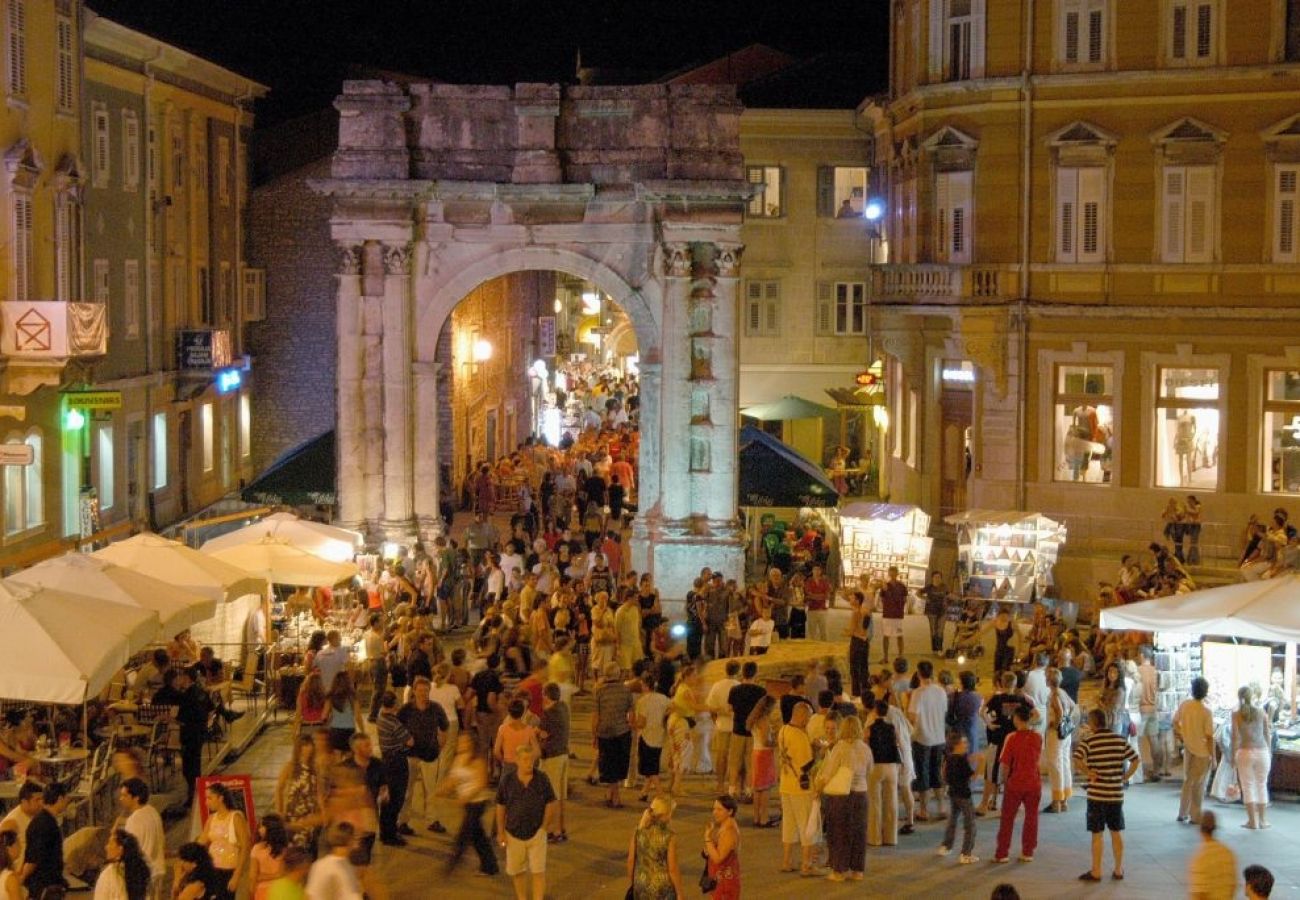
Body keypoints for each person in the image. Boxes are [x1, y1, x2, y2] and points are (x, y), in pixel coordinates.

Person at [1074, 708, 1140, 882]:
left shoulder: (1089, 741)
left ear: (1093, 723)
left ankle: (1096, 871)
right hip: (1115, 794)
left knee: (1097, 834)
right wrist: (1126, 776)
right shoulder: (1119, 740)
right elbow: (1135, 759)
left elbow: (1077, 758)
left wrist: (1089, 772)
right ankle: (1118, 869)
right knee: (1116, 831)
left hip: (1096, 795)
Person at [495, 744, 556, 900]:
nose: (529, 763)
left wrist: (544, 827)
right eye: (525, 759)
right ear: (517, 760)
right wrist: (500, 832)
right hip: (513, 834)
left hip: (537, 833)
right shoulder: (507, 781)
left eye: (532, 760)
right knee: (518, 871)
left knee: (538, 871)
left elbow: (551, 802)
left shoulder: (542, 779)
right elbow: (500, 806)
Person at [817, 712, 870, 882]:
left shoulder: (840, 747)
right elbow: (870, 769)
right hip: (861, 794)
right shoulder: (865, 748)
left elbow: (829, 773)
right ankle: (857, 870)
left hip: (842, 796)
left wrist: (819, 787)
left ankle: (839, 871)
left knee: (839, 832)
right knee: (859, 833)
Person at [398, 675, 451, 835]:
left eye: (426, 690)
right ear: (414, 691)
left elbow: (444, 729)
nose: (423, 693)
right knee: (407, 791)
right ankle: (402, 821)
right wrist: (405, 740)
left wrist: (439, 747)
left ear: (429, 691)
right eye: (420, 690)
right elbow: (397, 729)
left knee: (431, 791)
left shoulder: (436, 708)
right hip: (410, 756)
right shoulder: (406, 710)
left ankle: (432, 820)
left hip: (430, 755)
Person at [992, 704, 1042, 864]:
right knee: (1031, 817)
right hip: (1034, 781)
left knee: (1007, 818)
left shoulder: (1011, 738)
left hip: (1015, 782)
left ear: (1017, 719)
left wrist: (1003, 782)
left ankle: (1002, 853)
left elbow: (1005, 764)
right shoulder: (1038, 737)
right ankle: (1028, 852)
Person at [777, 700, 817, 876]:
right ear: (800, 714)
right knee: (807, 825)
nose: (808, 721)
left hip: (785, 785)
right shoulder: (800, 736)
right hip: (801, 787)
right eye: (807, 716)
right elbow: (807, 765)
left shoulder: (783, 730)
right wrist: (818, 751)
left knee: (789, 824)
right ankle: (807, 864)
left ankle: (787, 861)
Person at [907, 660, 948, 821]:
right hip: (939, 737)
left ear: (918, 674)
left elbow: (912, 717)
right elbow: (943, 711)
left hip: (922, 737)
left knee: (922, 775)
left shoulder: (918, 693)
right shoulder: (941, 691)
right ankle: (942, 806)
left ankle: (924, 810)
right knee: (936, 772)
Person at [197, 782, 250, 900]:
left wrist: (237, 875)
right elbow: (201, 843)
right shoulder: (211, 819)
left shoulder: (235, 818)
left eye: (210, 798)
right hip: (212, 870)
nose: (206, 802)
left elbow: (245, 846)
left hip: (228, 871)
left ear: (221, 798)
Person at [593, 662, 635, 808]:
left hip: (604, 732)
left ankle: (612, 793)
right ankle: (615, 796)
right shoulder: (626, 691)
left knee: (608, 764)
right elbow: (631, 715)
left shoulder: (600, 692)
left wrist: (594, 735)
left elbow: (596, 716)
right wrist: (632, 728)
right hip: (622, 731)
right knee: (618, 764)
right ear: (618, 675)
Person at [1231, 684, 1273, 829]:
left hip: (1244, 752)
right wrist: (1269, 752)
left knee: (1247, 786)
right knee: (1261, 784)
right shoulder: (1261, 712)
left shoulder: (1236, 714)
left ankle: (1252, 821)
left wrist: (1232, 757)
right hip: (1262, 752)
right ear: (1252, 696)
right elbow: (1267, 733)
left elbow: (1235, 737)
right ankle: (1263, 820)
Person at [1174, 676, 1215, 824]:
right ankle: (1195, 815)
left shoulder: (1185, 705)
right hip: (1202, 751)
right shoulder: (1206, 712)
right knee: (1198, 784)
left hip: (1188, 747)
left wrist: (1182, 735)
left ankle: (1182, 812)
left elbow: (1175, 722)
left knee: (1188, 780)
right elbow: (1209, 736)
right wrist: (1213, 756)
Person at [375, 691, 414, 847]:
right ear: (395, 704)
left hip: (386, 759)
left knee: (387, 798)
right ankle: (390, 835)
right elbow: (410, 742)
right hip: (397, 762)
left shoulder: (380, 716)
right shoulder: (393, 722)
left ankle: (385, 832)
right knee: (396, 799)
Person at [626, 795, 684, 899]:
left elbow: (631, 860)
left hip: (641, 883)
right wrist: (680, 893)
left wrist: (632, 883)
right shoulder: (669, 836)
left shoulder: (639, 830)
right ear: (666, 814)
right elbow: (672, 868)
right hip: (662, 887)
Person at [936, 731, 981, 865]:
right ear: (957, 745)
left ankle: (946, 846)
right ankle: (966, 853)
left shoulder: (949, 758)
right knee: (970, 824)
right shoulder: (961, 760)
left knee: (953, 820)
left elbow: (944, 774)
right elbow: (973, 777)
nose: (967, 745)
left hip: (953, 793)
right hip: (964, 795)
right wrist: (981, 764)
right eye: (964, 742)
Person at [275, 735, 325, 853]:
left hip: (311, 814)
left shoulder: (315, 767)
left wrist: (323, 811)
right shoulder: (290, 767)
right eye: (304, 745)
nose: (308, 748)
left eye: (309, 745)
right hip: (293, 814)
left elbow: (318, 791)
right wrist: (279, 811)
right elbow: (279, 789)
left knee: (311, 846)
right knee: (296, 848)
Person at [20, 782, 69, 899]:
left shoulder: (46, 821)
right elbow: (33, 859)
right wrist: (20, 879)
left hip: (49, 884)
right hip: (44, 887)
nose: (68, 802)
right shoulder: (44, 824)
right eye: (67, 798)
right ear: (60, 798)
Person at [118, 778, 165, 896]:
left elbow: (130, 851)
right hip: (158, 870)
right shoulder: (153, 811)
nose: (121, 799)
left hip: (143, 875)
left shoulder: (134, 820)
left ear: (136, 797)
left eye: (124, 795)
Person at [725, 661, 765, 800]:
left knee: (735, 762)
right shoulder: (761, 691)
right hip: (753, 732)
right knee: (750, 763)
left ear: (743, 673)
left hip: (737, 729)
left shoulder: (735, 690)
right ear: (755, 673)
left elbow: (729, 709)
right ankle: (749, 791)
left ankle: (732, 790)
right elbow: (763, 713)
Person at [865, 699, 901, 847]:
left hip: (876, 766)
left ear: (874, 711)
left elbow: (866, 748)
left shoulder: (869, 728)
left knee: (874, 803)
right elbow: (897, 744)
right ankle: (891, 837)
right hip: (892, 766)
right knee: (891, 802)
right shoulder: (892, 727)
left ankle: (875, 838)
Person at [1043, 667, 1077, 814]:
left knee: (1054, 765)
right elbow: (1072, 707)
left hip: (1056, 734)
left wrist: (1054, 724)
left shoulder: (1054, 695)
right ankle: (1064, 799)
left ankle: (1056, 801)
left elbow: (1060, 712)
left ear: (1049, 680)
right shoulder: (1063, 692)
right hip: (1066, 734)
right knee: (1064, 763)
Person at [633, 675, 671, 800]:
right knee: (652, 766)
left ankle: (661, 796)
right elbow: (671, 709)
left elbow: (641, 723)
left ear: (644, 685)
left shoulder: (643, 701)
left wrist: (631, 724)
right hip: (660, 736)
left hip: (647, 736)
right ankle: (644, 792)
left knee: (650, 770)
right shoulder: (663, 698)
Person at [706, 660, 740, 795]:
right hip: (736, 725)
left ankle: (720, 784)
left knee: (721, 756)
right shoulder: (739, 686)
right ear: (737, 671)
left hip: (721, 724)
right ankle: (734, 785)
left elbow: (711, 707)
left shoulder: (717, 686)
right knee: (736, 757)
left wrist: (716, 719)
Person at [305, 823, 364, 900]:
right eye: (355, 837)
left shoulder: (348, 865)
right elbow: (311, 897)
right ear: (350, 840)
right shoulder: (323, 866)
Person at [1186, 811, 1237, 900]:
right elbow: (1233, 885)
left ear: (1200, 829)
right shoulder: (1227, 852)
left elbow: (1199, 893)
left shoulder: (1200, 857)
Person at [93, 828, 151, 900]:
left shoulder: (109, 875)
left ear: (120, 850)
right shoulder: (137, 872)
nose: (106, 847)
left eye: (110, 843)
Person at [702, 795, 741, 900]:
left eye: (719, 809)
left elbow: (718, 858)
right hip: (721, 878)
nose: (714, 812)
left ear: (730, 811)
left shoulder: (729, 831)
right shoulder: (725, 825)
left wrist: (707, 838)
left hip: (724, 882)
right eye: (714, 809)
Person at [1135, 646, 1163, 782]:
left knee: (1137, 740)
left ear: (1141, 655)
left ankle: (1138, 771)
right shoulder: (1155, 672)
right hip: (1153, 708)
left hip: (1141, 709)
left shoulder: (1137, 671)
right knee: (1154, 740)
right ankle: (1157, 770)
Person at [247, 814, 289, 900]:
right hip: (281, 891)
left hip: (263, 891)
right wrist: (276, 875)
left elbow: (253, 877)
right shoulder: (285, 849)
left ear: (270, 828)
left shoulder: (257, 849)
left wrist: (260, 877)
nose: (259, 829)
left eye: (262, 826)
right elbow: (282, 874)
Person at [846, 590, 872, 698]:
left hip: (857, 642)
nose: (850, 600)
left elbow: (852, 631)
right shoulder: (866, 611)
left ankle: (856, 694)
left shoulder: (856, 613)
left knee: (855, 670)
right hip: (864, 642)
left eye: (852, 598)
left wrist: (846, 632)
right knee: (864, 668)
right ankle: (866, 691)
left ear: (857, 600)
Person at [878, 566, 908, 660]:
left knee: (899, 635)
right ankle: (885, 656)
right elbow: (882, 598)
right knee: (886, 635)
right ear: (889, 574)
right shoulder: (885, 585)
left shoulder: (902, 586)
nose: (892, 575)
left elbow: (905, 598)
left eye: (894, 572)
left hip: (898, 614)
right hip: (887, 614)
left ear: (897, 573)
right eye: (891, 573)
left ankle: (901, 655)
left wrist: (899, 605)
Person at [921, 571, 949, 655]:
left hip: (942, 610)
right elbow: (918, 593)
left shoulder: (944, 587)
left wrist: (958, 598)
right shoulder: (929, 587)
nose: (937, 579)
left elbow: (948, 594)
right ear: (932, 578)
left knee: (940, 630)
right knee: (933, 630)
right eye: (936, 577)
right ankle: (934, 649)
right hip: (931, 611)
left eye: (939, 577)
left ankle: (940, 648)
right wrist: (925, 598)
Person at [804, 565, 832, 641]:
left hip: (822, 609)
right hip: (812, 609)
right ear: (812, 571)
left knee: (824, 632)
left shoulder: (825, 581)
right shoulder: (808, 581)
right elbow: (808, 594)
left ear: (821, 571)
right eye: (815, 570)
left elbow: (827, 596)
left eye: (818, 570)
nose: (816, 572)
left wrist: (814, 596)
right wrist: (821, 596)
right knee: (812, 633)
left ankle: (824, 649)